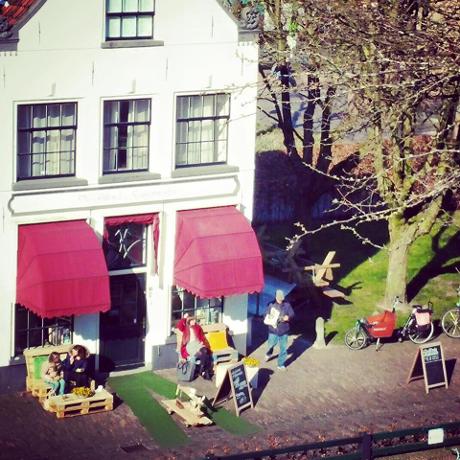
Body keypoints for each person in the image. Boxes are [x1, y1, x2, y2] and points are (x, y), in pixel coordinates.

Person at [264, 289, 294, 370]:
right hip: (273, 330)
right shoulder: (271, 305)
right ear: (276, 297)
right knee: (271, 345)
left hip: (284, 330)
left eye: (282, 298)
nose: (281, 300)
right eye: (279, 298)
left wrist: (288, 317)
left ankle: (280, 364)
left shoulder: (287, 305)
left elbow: (292, 314)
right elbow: (265, 316)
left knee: (283, 348)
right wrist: (270, 319)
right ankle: (269, 353)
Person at [176, 315, 213, 380]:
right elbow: (179, 326)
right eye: (192, 320)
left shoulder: (198, 327)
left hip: (197, 344)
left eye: (195, 320)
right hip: (189, 345)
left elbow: (202, 337)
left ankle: (202, 370)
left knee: (205, 351)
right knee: (203, 354)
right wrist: (184, 318)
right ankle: (204, 371)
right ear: (189, 321)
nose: (194, 321)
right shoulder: (185, 327)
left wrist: (203, 343)